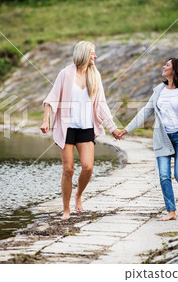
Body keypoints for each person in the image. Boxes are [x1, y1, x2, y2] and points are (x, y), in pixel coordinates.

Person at [118, 58, 178, 221]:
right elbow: (145, 112)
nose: (163, 66)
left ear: (175, 69)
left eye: (167, 65)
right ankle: (171, 211)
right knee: (164, 176)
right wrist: (125, 130)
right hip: (163, 138)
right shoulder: (159, 90)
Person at [41, 41, 122, 220]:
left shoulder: (95, 75)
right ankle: (66, 209)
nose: (95, 56)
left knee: (88, 167)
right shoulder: (65, 74)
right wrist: (45, 121)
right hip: (67, 128)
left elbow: (101, 105)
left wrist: (113, 128)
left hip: (86, 127)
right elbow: (51, 99)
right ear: (84, 54)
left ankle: (78, 194)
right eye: (93, 53)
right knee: (68, 169)